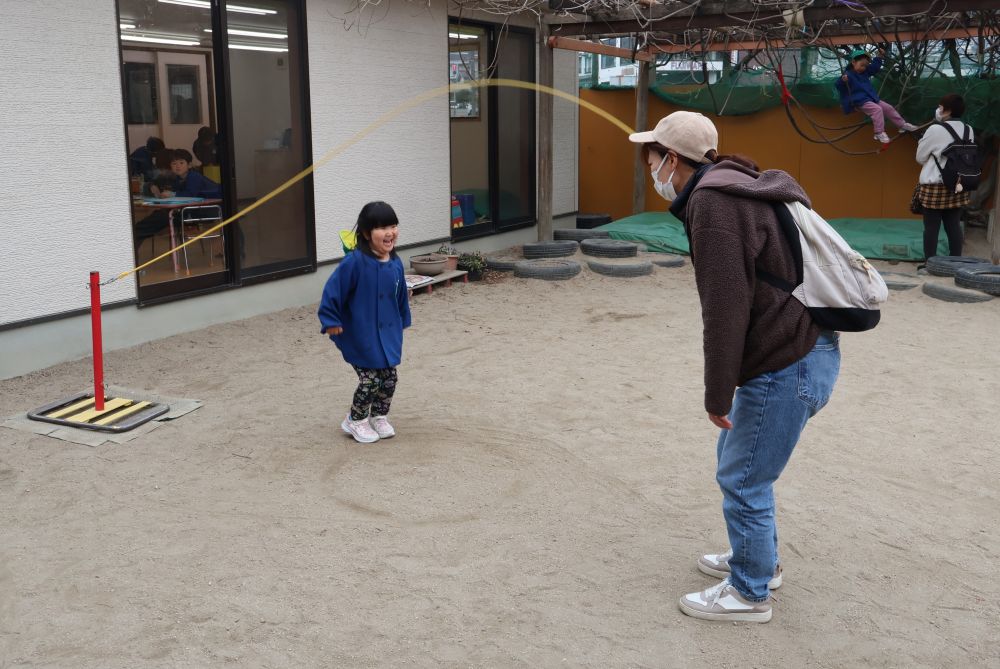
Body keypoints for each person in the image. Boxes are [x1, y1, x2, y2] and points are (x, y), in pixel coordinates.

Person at [629, 111, 842, 623]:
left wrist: (716, 392)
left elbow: (726, 306)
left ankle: (749, 592)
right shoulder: (741, 185)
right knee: (741, 465)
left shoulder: (713, 203)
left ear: (671, 160)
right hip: (802, 352)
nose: (649, 169)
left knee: (744, 477)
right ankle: (757, 561)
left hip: (785, 361)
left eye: (651, 158)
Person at [318, 201, 411, 444]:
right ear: (367, 233)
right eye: (382, 228)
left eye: (393, 226)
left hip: (387, 333)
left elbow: (400, 295)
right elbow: (333, 290)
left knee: (389, 378)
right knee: (370, 379)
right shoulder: (355, 262)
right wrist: (330, 319)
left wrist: (403, 318)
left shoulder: (395, 263)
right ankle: (355, 419)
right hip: (360, 333)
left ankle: (379, 416)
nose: (390, 232)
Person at [915, 94, 972, 263]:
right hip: (959, 184)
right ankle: (955, 263)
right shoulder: (968, 129)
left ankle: (930, 264)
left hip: (935, 185)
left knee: (931, 228)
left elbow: (920, 157)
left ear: (947, 111)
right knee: (953, 225)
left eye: (940, 107)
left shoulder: (935, 129)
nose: (938, 110)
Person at [835, 48, 918, 144]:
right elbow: (838, 85)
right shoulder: (848, 75)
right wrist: (843, 80)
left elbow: (874, 67)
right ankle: (879, 132)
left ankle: (902, 125)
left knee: (888, 108)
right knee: (877, 109)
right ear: (853, 62)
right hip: (859, 101)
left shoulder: (864, 72)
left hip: (871, 98)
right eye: (862, 65)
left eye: (865, 66)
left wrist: (879, 57)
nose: (864, 68)